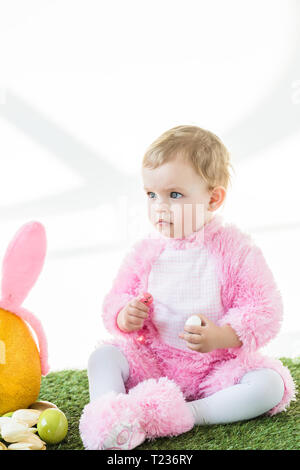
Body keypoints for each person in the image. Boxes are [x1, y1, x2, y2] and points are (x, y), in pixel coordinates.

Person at [79, 125, 296, 450]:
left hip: (216, 368)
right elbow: (116, 299)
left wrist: (222, 336)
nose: (159, 207)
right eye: (151, 195)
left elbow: (264, 309)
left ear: (213, 197)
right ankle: (111, 418)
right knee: (103, 356)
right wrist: (126, 315)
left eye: (174, 195)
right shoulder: (147, 251)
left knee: (270, 385)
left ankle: (189, 413)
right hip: (154, 361)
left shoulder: (235, 250)